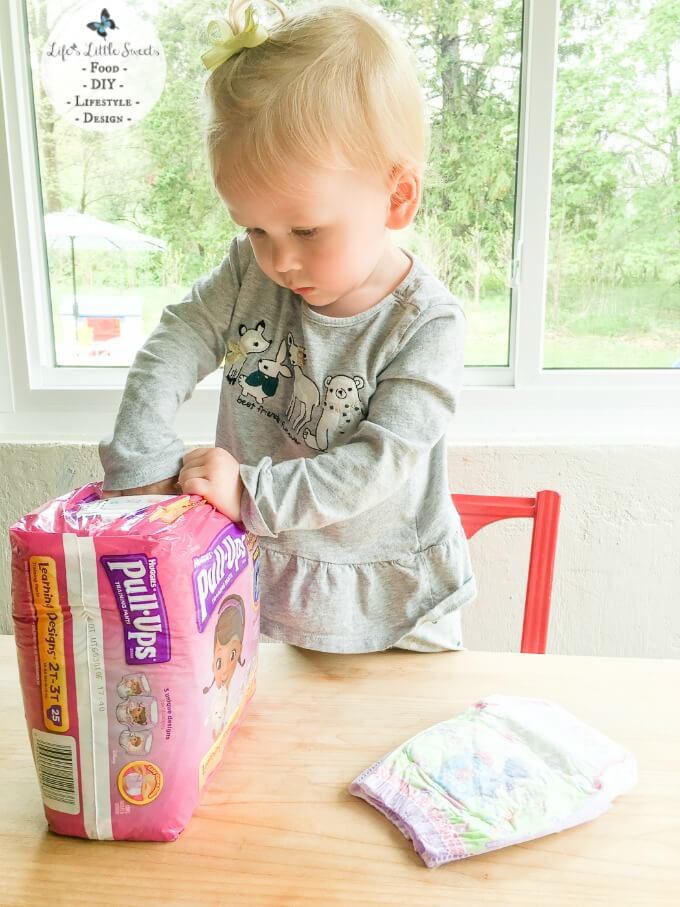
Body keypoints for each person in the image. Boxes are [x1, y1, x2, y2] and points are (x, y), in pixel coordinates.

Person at [99, 0, 476, 654]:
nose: (279, 259)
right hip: (266, 590)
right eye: (254, 227)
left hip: (397, 613)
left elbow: (374, 465)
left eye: (305, 229)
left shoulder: (428, 324)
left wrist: (247, 490)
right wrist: (141, 446)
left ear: (396, 197)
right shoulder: (251, 273)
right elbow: (178, 340)